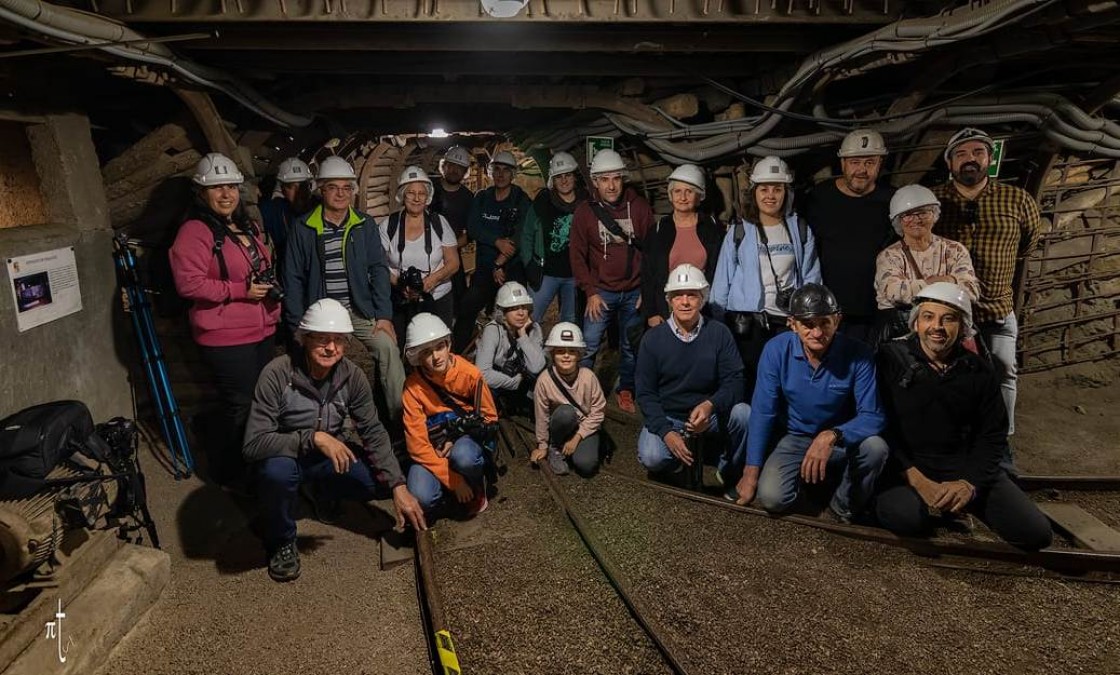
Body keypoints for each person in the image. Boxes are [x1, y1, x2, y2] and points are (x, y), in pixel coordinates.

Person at [243, 299, 427, 582]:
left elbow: (373, 431)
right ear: (305, 338)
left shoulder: (351, 377)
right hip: (286, 454)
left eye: (339, 340)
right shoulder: (278, 373)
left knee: (381, 480)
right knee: (275, 474)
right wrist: (313, 438)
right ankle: (281, 540)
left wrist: (398, 486)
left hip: (328, 456)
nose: (331, 348)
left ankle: (321, 491)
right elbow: (253, 444)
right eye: (322, 339)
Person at [875, 283, 1052, 550]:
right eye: (929, 317)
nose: (938, 327)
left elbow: (992, 436)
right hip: (907, 468)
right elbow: (879, 426)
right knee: (907, 520)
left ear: (962, 327)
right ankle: (929, 508)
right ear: (916, 323)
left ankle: (957, 502)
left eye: (949, 319)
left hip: (961, 467)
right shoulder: (890, 360)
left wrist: (969, 483)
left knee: (1036, 534)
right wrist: (915, 478)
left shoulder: (978, 371)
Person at [733, 283, 888, 523]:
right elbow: (763, 411)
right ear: (792, 324)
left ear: (837, 320)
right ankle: (809, 488)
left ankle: (841, 508)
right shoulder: (776, 350)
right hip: (795, 436)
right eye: (808, 324)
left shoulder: (859, 354)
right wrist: (750, 472)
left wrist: (832, 435)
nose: (817, 333)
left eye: (824, 322)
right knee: (772, 498)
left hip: (840, 439)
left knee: (876, 447)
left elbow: (873, 415)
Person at [169, 152, 280, 486]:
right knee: (241, 405)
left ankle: (254, 459)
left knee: (258, 401)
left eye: (231, 186)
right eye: (217, 188)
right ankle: (232, 473)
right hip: (227, 334)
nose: (226, 194)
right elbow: (188, 283)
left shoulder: (244, 226)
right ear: (202, 193)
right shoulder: (195, 231)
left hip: (261, 327)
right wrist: (238, 290)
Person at [932, 127, 1041, 446]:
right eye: (961, 154)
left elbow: (1027, 245)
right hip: (948, 311)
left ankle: (999, 441)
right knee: (947, 378)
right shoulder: (934, 200)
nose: (970, 159)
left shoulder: (1017, 199)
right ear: (949, 162)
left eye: (978, 153)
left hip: (994, 308)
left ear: (989, 160)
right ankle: (954, 441)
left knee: (1004, 372)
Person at [282, 156, 406, 420]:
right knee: (316, 361)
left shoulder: (364, 225)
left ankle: (400, 418)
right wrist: (296, 324)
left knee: (387, 348)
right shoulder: (304, 227)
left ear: (353, 191)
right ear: (321, 189)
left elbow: (379, 269)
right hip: (320, 312)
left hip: (356, 308)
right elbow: (292, 278)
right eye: (333, 187)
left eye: (346, 187)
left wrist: (383, 315)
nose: (340, 193)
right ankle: (317, 420)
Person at [710, 156, 821, 399]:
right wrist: (720, 327)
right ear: (754, 192)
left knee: (785, 385)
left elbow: (812, 279)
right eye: (764, 189)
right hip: (747, 326)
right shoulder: (739, 230)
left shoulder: (800, 229)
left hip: (787, 324)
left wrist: (807, 321)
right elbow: (722, 282)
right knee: (749, 386)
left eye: (777, 189)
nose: (770, 195)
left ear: (786, 192)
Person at [635, 264, 749, 495]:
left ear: (702, 299)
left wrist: (711, 405)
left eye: (692, 295)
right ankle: (677, 456)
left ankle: (728, 469)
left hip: (709, 414)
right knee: (652, 457)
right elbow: (645, 394)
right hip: (671, 415)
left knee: (744, 414)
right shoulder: (653, 339)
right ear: (669, 300)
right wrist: (667, 432)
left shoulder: (719, 333)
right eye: (678, 295)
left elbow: (735, 380)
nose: (685, 302)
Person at [569, 148, 654, 414]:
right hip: (601, 292)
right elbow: (577, 255)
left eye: (616, 178)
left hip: (633, 292)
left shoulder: (638, 207)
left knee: (630, 346)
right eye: (604, 179)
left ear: (623, 179)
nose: (611, 185)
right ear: (595, 182)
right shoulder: (586, 212)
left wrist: (647, 289)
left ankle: (625, 388)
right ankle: (581, 392)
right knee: (590, 343)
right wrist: (590, 291)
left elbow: (652, 251)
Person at [803, 129, 895, 344]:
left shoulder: (892, 200)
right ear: (842, 162)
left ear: (880, 163)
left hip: (876, 312)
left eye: (870, 162)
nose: (862, 170)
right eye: (854, 162)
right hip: (828, 313)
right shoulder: (818, 198)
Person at [402, 313, 499, 517]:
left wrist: (456, 438)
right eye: (427, 352)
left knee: (463, 457)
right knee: (421, 497)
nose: (436, 356)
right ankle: (452, 488)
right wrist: (453, 480)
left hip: (464, 440)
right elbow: (416, 446)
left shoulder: (471, 374)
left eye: (439, 347)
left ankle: (474, 486)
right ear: (418, 357)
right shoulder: (412, 387)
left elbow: (490, 419)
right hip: (432, 446)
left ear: (448, 345)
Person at [873, 184, 980, 347]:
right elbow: (895, 293)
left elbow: (971, 291)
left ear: (934, 215)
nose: (916, 219)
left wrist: (915, 287)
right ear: (898, 221)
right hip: (902, 338)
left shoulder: (955, 250)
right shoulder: (889, 256)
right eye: (907, 215)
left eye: (923, 213)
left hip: (947, 337)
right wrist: (947, 281)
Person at [452, 150, 533, 352]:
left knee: (515, 316)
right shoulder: (482, 198)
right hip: (484, 270)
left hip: (512, 271)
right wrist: (496, 241)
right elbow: (473, 227)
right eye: (496, 169)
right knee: (467, 307)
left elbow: (519, 237)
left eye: (506, 170)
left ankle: (521, 357)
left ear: (513, 174)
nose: (500, 174)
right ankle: (457, 354)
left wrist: (500, 263)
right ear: (491, 171)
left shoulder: (521, 200)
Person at [380, 165, 460, 342]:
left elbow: (453, 262)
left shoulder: (439, 223)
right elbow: (379, 264)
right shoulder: (389, 225)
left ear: (428, 197)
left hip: (438, 297)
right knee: (400, 344)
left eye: (421, 193)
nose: (416, 198)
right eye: (411, 193)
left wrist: (432, 280)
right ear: (402, 194)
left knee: (438, 344)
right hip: (400, 299)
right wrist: (400, 284)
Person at [640, 164, 724, 327]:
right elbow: (648, 275)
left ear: (699, 196)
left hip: (703, 308)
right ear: (670, 195)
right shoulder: (658, 230)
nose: (683, 197)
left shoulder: (712, 227)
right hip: (667, 310)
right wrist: (652, 312)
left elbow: (719, 271)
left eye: (689, 191)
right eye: (677, 191)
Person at [531, 322, 607, 477]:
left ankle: (576, 447)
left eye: (571, 351)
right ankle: (556, 447)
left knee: (586, 465)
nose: (566, 356)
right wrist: (543, 445)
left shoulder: (588, 377)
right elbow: (542, 415)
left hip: (584, 426)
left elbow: (598, 412)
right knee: (566, 412)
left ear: (579, 355)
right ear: (552, 354)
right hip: (561, 424)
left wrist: (577, 438)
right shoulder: (544, 380)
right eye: (560, 351)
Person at [520, 151, 587, 323]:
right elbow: (527, 234)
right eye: (559, 177)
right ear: (553, 180)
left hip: (574, 275)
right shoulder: (543, 201)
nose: (564, 180)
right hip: (546, 273)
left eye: (567, 175)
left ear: (575, 177)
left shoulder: (586, 202)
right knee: (530, 318)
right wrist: (529, 263)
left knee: (570, 321)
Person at [475, 281, 546, 414]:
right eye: (514, 308)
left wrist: (522, 335)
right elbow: (482, 373)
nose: (521, 313)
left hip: (523, 383)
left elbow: (537, 367)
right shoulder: (493, 330)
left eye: (524, 307)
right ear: (503, 312)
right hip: (499, 384)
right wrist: (513, 382)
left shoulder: (533, 329)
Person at [431, 145, 474, 310]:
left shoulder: (468, 198)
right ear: (444, 166)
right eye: (451, 165)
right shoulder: (429, 188)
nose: (455, 170)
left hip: (452, 255)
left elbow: (470, 232)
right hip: (424, 251)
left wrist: (449, 249)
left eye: (460, 168)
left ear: (465, 172)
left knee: (458, 300)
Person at [259, 156, 314, 271]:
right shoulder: (273, 210)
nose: (298, 191)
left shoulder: (321, 207)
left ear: (310, 186)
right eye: (291, 187)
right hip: (287, 269)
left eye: (302, 186)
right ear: (282, 189)